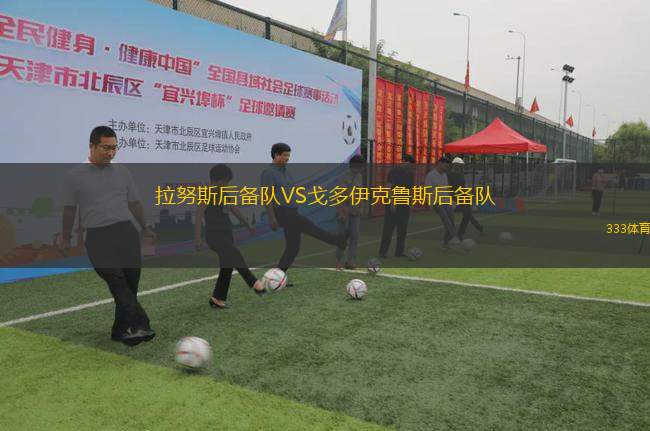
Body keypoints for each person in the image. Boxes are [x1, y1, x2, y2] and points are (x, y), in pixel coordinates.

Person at [61, 126, 155, 346]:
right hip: (97, 236)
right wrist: (65, 237)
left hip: (126, 232)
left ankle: (120, 331)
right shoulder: (74, 176)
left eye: (114, 148)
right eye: (106, 148)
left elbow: (134, 203)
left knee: (130, 285)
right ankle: (141, 324)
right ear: (92, 146)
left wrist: (145, 227)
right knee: (117, 282)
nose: (111, 153)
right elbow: (69, 210)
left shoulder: (123, 172)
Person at [261, 143, 347, 275]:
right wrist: (272, 218)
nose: (287, 158)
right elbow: (266, 196)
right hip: (281, 211)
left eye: (288, 155)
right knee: (307, 224)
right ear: (276, 155)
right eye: (284, 155)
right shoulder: (268, 173)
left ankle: (278, 276)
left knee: (293, 248)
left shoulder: (288, 173)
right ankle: (337, 240)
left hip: (292, 211)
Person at [194, 164, 266, 309]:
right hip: (215, 235)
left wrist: (248, 225)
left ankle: (217, 298)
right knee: (235, 254)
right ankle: (253, 282)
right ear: (219, 180)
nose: (227, 184)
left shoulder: (224, 193)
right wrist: (198, 238)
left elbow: (234, 209)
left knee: (227, 266)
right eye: (226, 181)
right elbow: (199, 215)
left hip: (226, 234)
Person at [378, 155, 415, 258]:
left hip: (405, 203)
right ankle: (383, 252)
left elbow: (410, 189)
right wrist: (391, 203)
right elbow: (389, 188)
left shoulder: (410, 174)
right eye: (409, 164)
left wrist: (410, 203)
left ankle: (399, 251)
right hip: (394, 203)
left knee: (402, 229)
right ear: (403, 161)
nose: (410, 167)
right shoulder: (394, 171)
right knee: (388, 228)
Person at [336, 155, 365, 270]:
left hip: (355, 212)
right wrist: (341, 212)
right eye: (361, 166)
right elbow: (340, 196)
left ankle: (351, 261)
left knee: (355, 236)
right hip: (344, 211)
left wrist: (361, 207)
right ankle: (339, 261)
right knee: (342, 238)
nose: (362, 168)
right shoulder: (344, 177)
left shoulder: (359, 177)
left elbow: (360, 193)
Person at [425, 155, 461, 248]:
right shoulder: (430, 175)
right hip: (436, 202)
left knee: (451, 221)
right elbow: (428, 190)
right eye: (445, 166)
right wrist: (430, 203)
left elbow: (446, 189)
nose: (446, 168)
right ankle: (454, 237)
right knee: (446, 219)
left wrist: (451, 201)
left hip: (446, 201)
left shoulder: (444, 175)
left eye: (447, 166)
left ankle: (445, 243)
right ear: (440, 164)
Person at [447, 157, 484, 239]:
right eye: (458, 165)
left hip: (464, 196)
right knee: (467, 215)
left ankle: (477, 228)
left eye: (460, 165)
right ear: (454, 165)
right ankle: (461, 233)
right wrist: (452, 198)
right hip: (456, 197)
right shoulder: (449, 175)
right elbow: (449, 187)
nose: (459, 166)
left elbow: (463, 186)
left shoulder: (461, 174)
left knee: (468, 215)